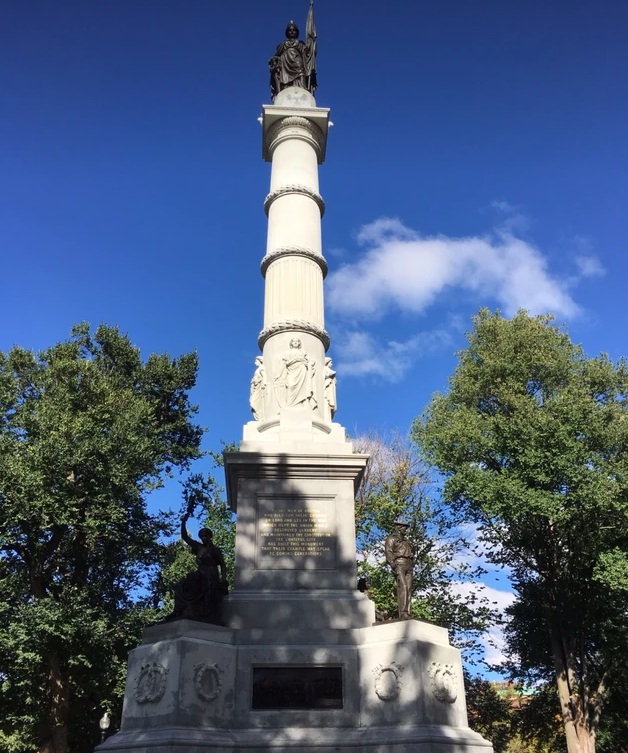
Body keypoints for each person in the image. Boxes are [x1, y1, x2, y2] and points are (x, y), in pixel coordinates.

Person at [168, 511, 228, 624]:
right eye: (202, 536)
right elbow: (185, 537)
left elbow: (223, 565)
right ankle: (182, 609)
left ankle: (200, 611)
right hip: (200, 572)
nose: (204, 538)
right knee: (181, 585)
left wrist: (223, 580)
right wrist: (183, 522)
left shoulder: (214, 550)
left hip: (210, 574)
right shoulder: (198, 547)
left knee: (202, 584)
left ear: (209, 537)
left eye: (206, 536)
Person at [269, 3, 317, 100]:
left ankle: (302, 92)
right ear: (287, 32)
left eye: (294, 30)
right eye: (290, 30)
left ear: (297, 32)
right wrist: (274, 60)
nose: (292, 31)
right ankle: (284, 92)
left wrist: (311, 42)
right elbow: (277, 56)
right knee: (284, 81)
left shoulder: (301, 44)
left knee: (301, 75)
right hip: (285, 64)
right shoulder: (282, 44)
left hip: (298, 62)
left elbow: (308, 53)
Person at [274, 338, 316, 409]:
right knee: (290, 385)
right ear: (291, 343)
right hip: (292, 370)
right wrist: (279, 374)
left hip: (302, 370)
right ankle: (289, 405)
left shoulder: (302, 352)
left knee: (303, 388)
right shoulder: (287, 352)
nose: (295, 342)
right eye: (294, 341)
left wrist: (309, 363)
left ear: (299, 343)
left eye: (297, 341)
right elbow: (284, 364)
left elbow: (308, 361)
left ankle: (301, 404)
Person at [384, 522, 413, 620]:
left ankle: (408, 612)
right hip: (399, 563)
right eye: (404, 528)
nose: (406, 530)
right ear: (399, 528)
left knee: (408, 589)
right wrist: (393, 565)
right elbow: (388, 551)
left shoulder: (406, 540)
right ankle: (403, 613)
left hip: (409, 564)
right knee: (403, 587)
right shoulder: (391, 539)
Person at [250, 356, 266, 420]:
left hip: (260, 387)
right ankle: (259, 417)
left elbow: (264, 376)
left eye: (256, 361)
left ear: (260, 361)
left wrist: (264, 384)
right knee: (254, 401)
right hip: (256, 388)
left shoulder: (261, 368)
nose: (255, 362)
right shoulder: (258, 369)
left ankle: (260, 417)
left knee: (255, 402)